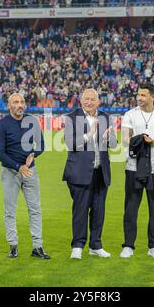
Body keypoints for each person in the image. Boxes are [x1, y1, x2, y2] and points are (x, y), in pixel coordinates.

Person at [62, 88, 117, 259]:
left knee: (99, 210)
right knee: (80, 209)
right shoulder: (71, 117)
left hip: (101, 172)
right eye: (86, 99)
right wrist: (89, 135)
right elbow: (70, 144)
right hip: (79, 172)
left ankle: (95, 245)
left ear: (99, 101)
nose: (89, 102)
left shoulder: (106, 117)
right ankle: (77, 246)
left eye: (93, 99)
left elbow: (114, 145)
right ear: (81, 100)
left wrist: (110, 138)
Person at [0, 93, 50, 259]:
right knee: (10, 210)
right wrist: (18, 167)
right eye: (16, 102)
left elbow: (41, 145)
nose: (20, 105)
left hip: (30, 170)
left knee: (35, 209)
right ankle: (13, 245)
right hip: (11, 172)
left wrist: (33, 154)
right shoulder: (3, 124)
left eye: (22, 102)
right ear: (9, 105)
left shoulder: (32, 121)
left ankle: (37, 247)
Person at [119, 83, 154, 259]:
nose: (139, 98)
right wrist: (140, 140)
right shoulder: (130, 114)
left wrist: (153, 142)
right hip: (133, 167)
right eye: (138, 95)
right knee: (131, 207)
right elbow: (125, 139)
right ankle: (128, 246)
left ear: (153, 97)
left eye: (143, 95)